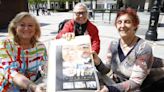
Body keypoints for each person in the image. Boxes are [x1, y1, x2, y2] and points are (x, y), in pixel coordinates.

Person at [92, 8, 154, 92]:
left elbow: (135, 83)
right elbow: (107, 70)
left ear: (135, 25)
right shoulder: (113, 44)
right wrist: (98, 62)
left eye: (127, 22)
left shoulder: (143, 48)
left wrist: (110, 89)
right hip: (114, 84)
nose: (122, 26)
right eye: (119, 22)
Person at [0, 12, 47, 92]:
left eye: (30, 25)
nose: (26, 28)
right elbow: (10, 71)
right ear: (15, 27)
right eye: (22, 25)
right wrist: (32, 86)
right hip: (8, 89)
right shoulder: (6, 44)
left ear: (35, 28)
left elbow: (46, 68)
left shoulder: (40, 46)